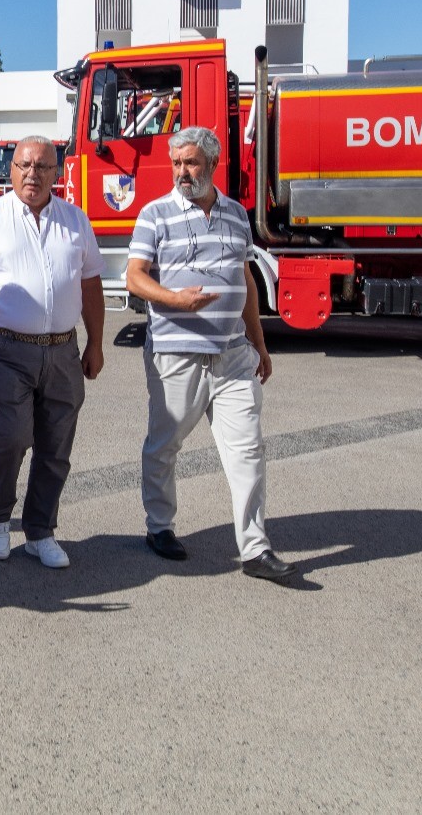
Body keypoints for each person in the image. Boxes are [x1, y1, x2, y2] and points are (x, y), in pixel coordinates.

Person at [126, 126, 296, 585]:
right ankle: (159, 527)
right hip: (177, 353)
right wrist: (174, 300)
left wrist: (259, 341)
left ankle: (256, 549)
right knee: (164, 446)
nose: (183, 172)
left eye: (191, 163)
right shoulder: (154, 214)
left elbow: (244, 280)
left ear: (212, 164)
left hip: (233, 354)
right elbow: (134, 277)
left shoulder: (237, 214)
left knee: (248, 450)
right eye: (177, 163)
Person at [0, 135, 104, 569]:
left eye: (43, 167)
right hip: (6, 348)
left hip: (63, 350)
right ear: (10, 169)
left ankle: (39, 531)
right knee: (13, 435)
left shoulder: (75, 220)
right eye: (24, 165)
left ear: (57, 172)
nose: (33, 174)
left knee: (56, 444)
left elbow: (91, 284)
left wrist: (96, 342)